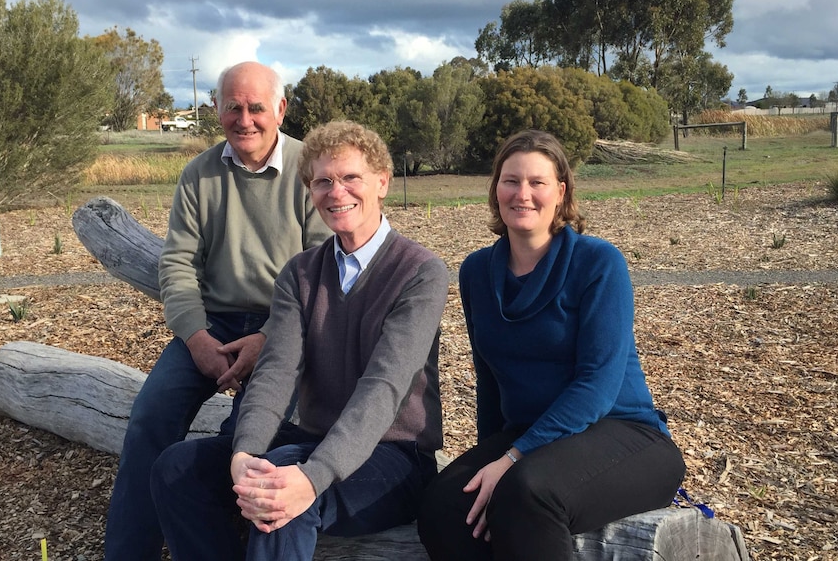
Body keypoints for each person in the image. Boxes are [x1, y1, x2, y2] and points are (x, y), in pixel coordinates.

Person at [149, 121, 449, 561]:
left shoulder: (420, 271)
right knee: (176, 469)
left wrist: (312, 477)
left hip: (394, 457)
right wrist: (244, 452)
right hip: (312, 437)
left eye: (350, 178)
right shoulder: (301, 273)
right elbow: (275, 372)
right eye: (322, 181)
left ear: (382, 182)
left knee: (279, 492)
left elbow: (384, 388)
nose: (336, 191)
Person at [417, 130, 686, 561]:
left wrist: (509, 459)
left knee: (525, 492)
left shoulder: (598, 263)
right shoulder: (476, 272)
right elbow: (490, 381)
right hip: (532, 436)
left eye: (537, 182)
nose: (522, 193)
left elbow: (596, 387)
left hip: (626, 436)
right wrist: (494, 453)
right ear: (495, 189)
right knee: (444, 505)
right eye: (511, 180)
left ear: (560, 193)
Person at [105, 62, 332, 561]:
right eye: (233, 106)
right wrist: (195, 337)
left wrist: (270, 337)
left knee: (248, 440)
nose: (244, 118)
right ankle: (129, 551)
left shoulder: (310, 171)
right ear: (217, 109)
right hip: (214, 324)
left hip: (287, 328)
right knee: (149, 417)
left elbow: (321, 272)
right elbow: (178, 264)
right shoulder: (199, 175)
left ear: (280, 109)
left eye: (256, 107)